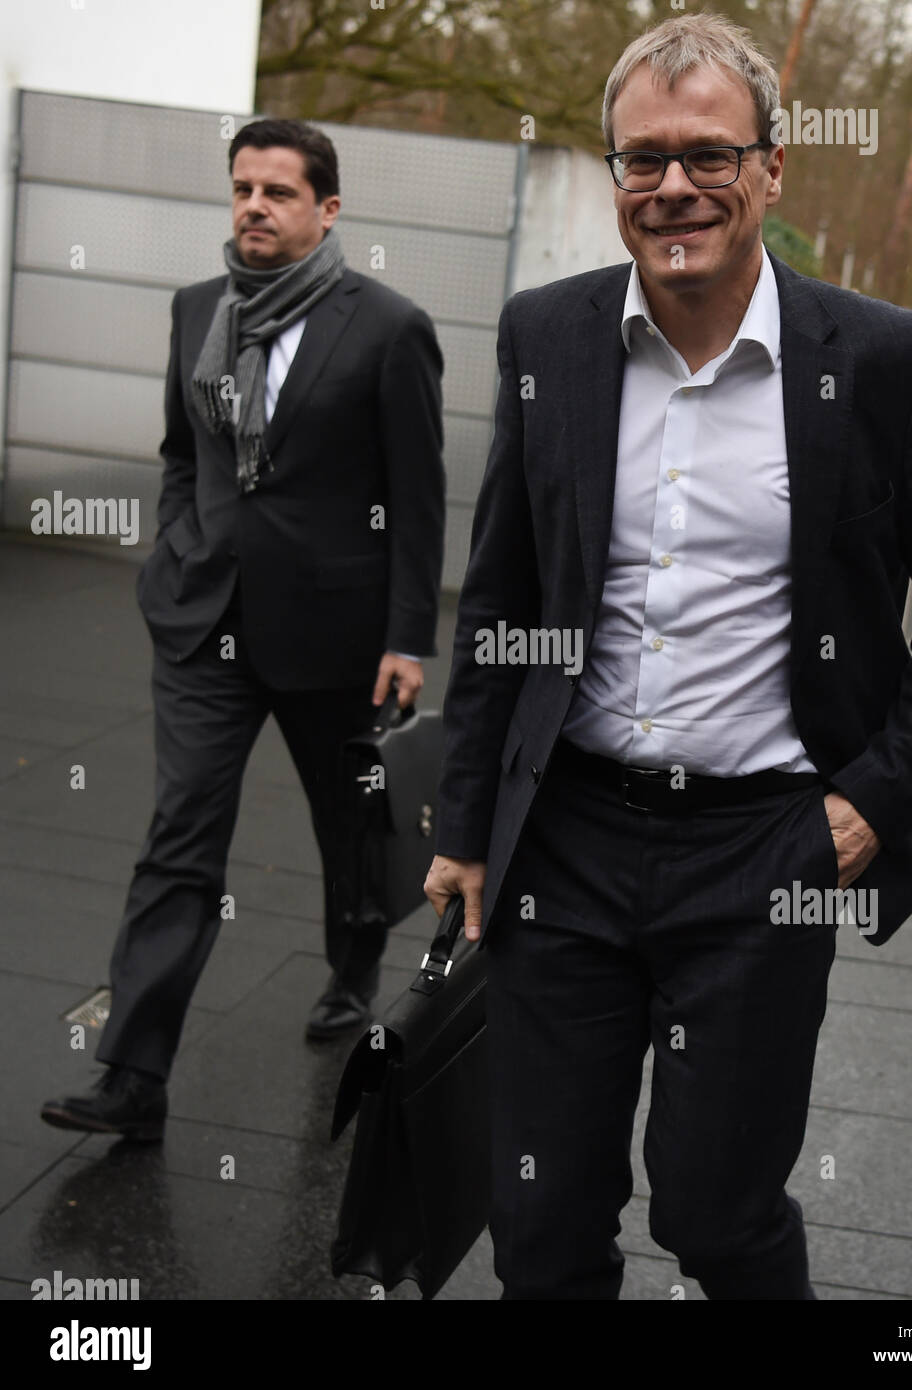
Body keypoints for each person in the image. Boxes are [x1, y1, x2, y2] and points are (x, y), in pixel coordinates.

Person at [424, 12, 912, 1300]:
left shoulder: (883, 362)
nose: (672, 186)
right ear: (613, 174)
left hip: (765, 854)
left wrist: (874, 795)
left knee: (718, 1216)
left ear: (770, 169)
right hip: (564, 845)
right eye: (641, 160)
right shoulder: (547, 338)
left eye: (707, 154)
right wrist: (464, 820)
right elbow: (504, 599)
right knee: (539, 1226)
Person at [41, 119, 445, 1141]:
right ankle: (133, 1072)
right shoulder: (194, 312)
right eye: (241, 189)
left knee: (347, 825)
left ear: (326, 209)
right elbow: (184, 452)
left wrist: (407, 636)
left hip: (335, 632)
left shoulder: (388, 327)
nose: (253, 207)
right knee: (180, 837)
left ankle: (353, 964)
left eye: (276, 191)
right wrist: (176, 544)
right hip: (201, 619)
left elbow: (417, 495)